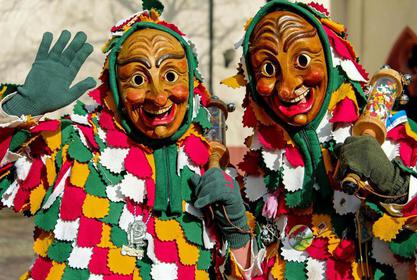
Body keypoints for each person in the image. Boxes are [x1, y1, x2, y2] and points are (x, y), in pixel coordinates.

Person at [0, 2, 259, 279]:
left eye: (170, 76)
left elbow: (241, 272)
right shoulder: (74, 144)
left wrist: (236, 232)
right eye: (137, 79)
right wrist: (17, 112)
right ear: (115, 87)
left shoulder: (212, 165)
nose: (158, 97)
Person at [223, 0, 417, 278]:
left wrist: (398, 187)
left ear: (330, 58)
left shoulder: (399, 136)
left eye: (302, 60)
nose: (288, 87)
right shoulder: (262, 166)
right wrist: (235, 231)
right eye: (268, 69)